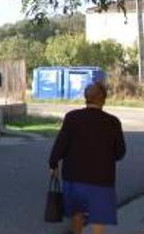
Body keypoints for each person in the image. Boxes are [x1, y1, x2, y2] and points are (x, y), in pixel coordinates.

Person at [48, 82, 126, 234]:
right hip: (102, 182)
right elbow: (120, 152)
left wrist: (53, 164)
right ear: (103, 99)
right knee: (99, 219)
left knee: (77, 215)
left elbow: (60, 145)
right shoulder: (113, 122)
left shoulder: (72, 118)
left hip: (74, 179)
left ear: (85, 98)